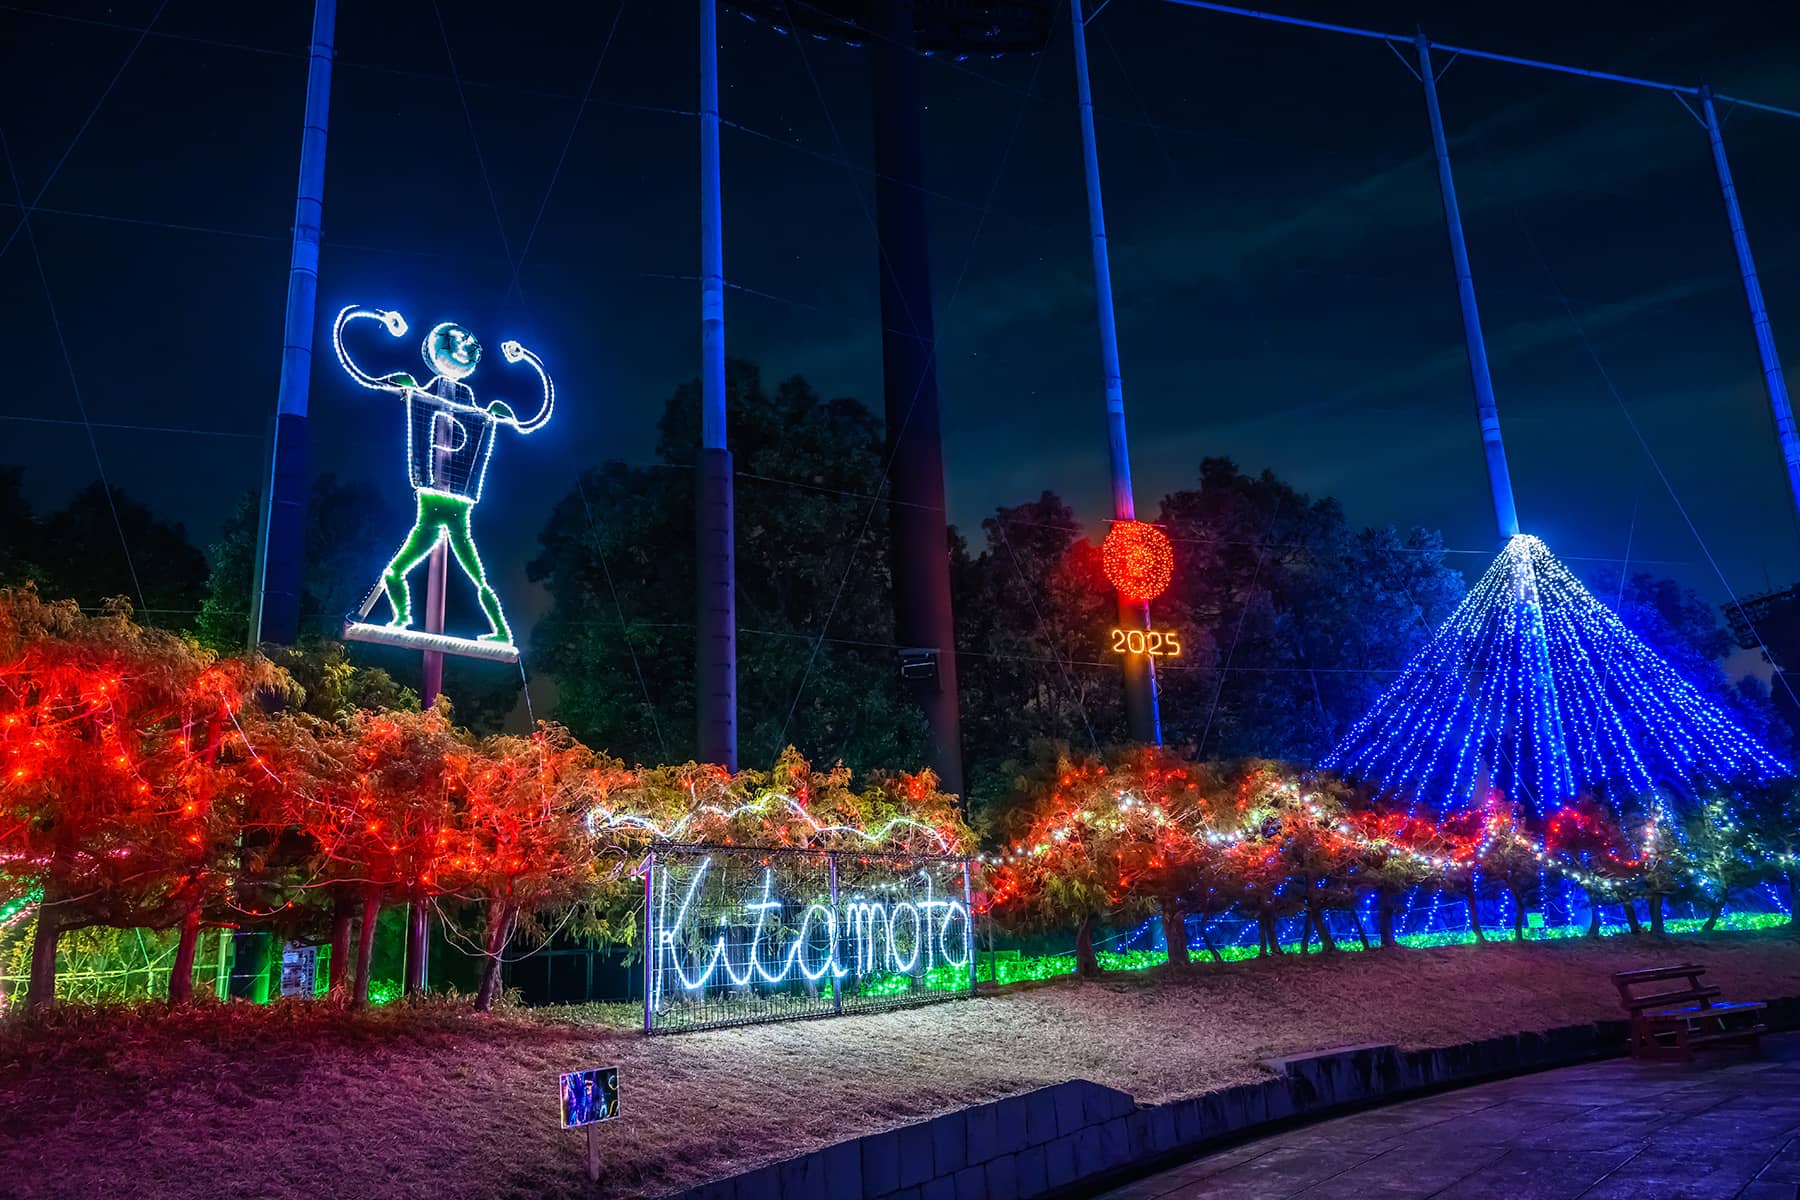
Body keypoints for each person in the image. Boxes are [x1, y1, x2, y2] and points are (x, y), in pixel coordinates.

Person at [333, 305, 555, 645]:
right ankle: (403, 617)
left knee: (475, 576)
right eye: (458, 342)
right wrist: (378, 319)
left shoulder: (478, 406)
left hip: (457, 504)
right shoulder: (418, 390)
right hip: (433, 502)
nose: (466, 346)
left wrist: (525, 361)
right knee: (402, 569)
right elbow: (364, 373)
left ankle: (496, 630)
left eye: (468, 344)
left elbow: (530, 417)